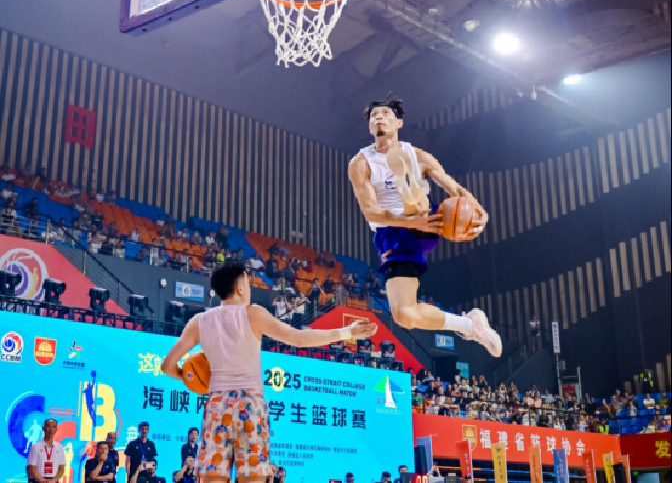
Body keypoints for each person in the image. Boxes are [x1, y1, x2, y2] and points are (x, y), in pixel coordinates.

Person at [161, 264, 377, 483]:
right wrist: (347, 332)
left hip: (216, 403)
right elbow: (298, 338)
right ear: (240, 288)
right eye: (247, 284)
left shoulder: (199, 322)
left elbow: (167, 366)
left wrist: (196, 381)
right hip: (249, 404)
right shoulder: (253, 314)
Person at [348, 94, 501, 356]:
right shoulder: (360, 163)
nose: (378, 118)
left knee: (417, 203)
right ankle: (470, 325)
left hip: (428, 222)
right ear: (369, 126)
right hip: (392, 234)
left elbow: (455, 189)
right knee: (404, 315)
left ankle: (410, 188)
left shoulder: (419, 155)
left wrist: (480, 212)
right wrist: (408, 221)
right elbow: (370, 211)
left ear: (399, 123)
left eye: (385, 114)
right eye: (374, 116)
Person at [28, 418, 66, 483]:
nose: (51, 429)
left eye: (53, 427)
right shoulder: (35, 447)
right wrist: (42, 480)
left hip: (53, 481)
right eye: (48, 426)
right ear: (43, 428)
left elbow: (61, 469)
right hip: (38, 480)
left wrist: (54, 480)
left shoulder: (59, 447)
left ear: (56, 429)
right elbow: (31, 469)